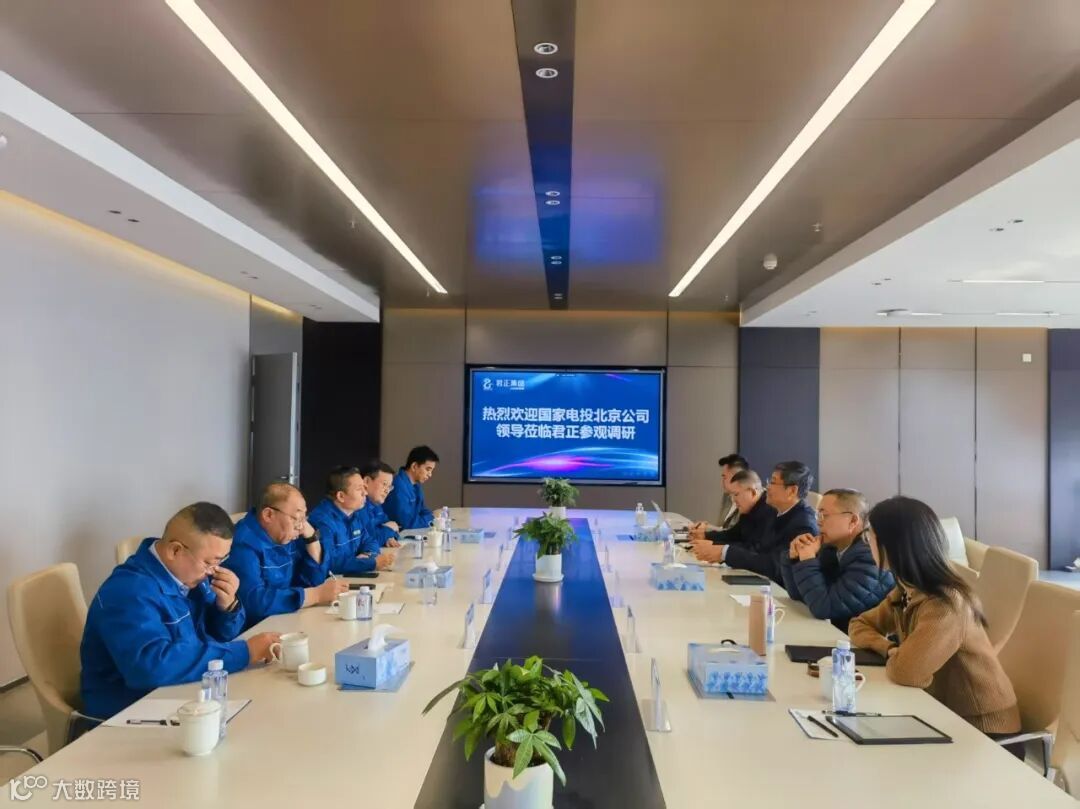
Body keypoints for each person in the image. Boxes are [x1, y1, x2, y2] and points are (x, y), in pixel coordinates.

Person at [81, 502, 281, 719]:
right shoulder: (128, 592)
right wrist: (245, 653)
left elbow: (219, 635)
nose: (213, 571)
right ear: (175, 550)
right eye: (209, 562)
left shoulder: (188, 575)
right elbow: (150, 667)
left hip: (182, 692)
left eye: (221, 561)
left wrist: (228, 607)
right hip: (128, 710)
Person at [849, 496, 1021, 746]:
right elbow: (858, 625)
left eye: (869, 537)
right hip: (942, 715)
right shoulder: (908, 587)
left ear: (892, 545)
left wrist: (897, 656)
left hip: (985, 733)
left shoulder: (946, 604)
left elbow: (907, 672)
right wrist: (889, 648)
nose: (868, 545)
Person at [224, 483, 348, 629]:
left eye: (304, 518)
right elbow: (254, 602)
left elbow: (312, 582)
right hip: (254, 629)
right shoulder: (242, 544)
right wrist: (315, 595)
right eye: (297, 518)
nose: (301, 527)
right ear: (268, 515)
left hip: (284, 619)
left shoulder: (285, 535)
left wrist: (312, 540)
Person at [780, 488, 894, 633]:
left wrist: (807, 560)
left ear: (853, 520)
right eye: (817, 515)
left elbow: (825, 608)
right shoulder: (831, 548)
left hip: (861, 641)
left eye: (824, 515)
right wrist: (795, 557)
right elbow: (800, 595)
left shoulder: (870, 557)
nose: (818, 522)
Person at [694, 461, 817, 585]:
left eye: (773, 482)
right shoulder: (778, 512)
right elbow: (758, 551)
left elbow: (774, 566)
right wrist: (718, 548)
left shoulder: (803, 525)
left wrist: (725, 553)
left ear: (792, 491)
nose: (767, 487)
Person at [308, 465, 396, 575]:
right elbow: (331, 563)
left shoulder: (353, 514)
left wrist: (367, 555)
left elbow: (370, 541)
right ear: (341, 496)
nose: (365, 493)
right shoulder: (323, 521)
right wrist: (371, 563)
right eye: (359, 489)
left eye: (364, 488)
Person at [689, 469, 773, 550]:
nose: (733, 500)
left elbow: (753, 548)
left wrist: (714, 545)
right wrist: (705, 536)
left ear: (753, 492)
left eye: (736, 494)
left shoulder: (769, 510)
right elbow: (732, 535)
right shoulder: (748, 508)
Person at [687, 453, 749, 535]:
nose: (722, 481)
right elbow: (722, 528)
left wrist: (707, 528)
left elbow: (735, 535)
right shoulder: (727, 496)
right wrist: (706, 527)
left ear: (738, 477)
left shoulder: (748, 501)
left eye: (724, 477)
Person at [384, 445, 439, 529]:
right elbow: (408, 524)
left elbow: (423, 510)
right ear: (414, 466)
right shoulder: (398, 486)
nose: (430, 475)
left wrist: (431, 516)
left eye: (431, 471)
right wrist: (432, 517)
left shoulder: (416, 485)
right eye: (428, 469)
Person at [355, 459, 402, 548]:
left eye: (389, 487)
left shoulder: (376, 504)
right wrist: (388, 530)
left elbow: (394, 528)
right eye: (384, 484)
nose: (387, 491)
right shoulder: (358, 506)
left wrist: (389, 537)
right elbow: (367, 541)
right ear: (366, 481)